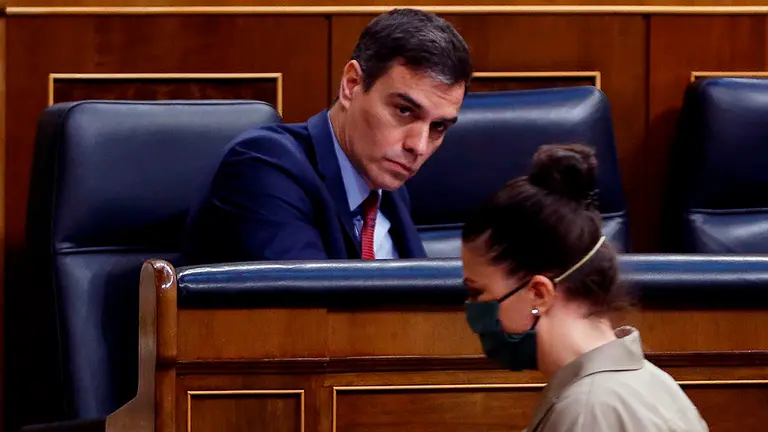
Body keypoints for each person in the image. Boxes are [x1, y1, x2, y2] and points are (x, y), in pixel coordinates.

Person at [181, 8, 472, 264]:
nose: (418, 146)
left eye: (438, 127)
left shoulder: (387, 190)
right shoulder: (261, 167)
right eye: (404, 111)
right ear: (351, 84)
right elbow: (311, 305)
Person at [461, 144, 709, 431]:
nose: (472, 308)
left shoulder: (588, 410)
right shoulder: (651, 383)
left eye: (477, 292)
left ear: (539, 293)